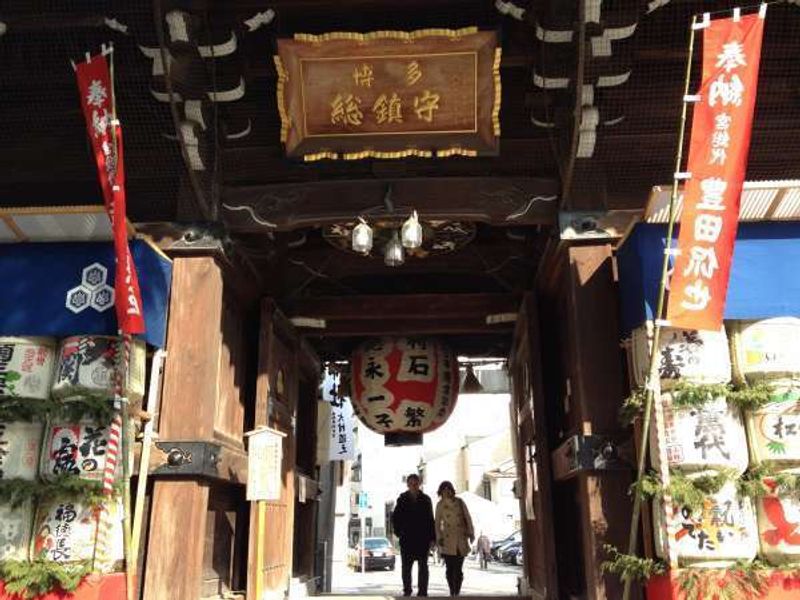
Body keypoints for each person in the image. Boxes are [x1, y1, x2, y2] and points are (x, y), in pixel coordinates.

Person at [392, 474, 436, 597]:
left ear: (419, 484)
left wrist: (432, 538)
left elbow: (430, 519)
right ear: (407, 485)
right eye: (411, 484)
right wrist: (398, 532)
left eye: (415, 484)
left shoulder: (426, 499)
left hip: (423, 539)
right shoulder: (402, 499)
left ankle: (423, 591)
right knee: (406, 567)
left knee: (423, 566)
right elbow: (395, 517)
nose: (413, 486)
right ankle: (407, 590)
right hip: (407, 539)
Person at [434, 481, 474, 596]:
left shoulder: (460, 502)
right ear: (440, 492)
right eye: (444, 489)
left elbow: (468, 517)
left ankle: (457, 591)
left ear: (452, 490)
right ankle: (452, 591)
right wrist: (439, 538)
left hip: (460, 539)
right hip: (447, 540)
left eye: (449, 489)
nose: (446, 491)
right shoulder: (440, 505)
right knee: (450, 569)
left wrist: (471, 533)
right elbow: (437, 523)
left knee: (458, 569)